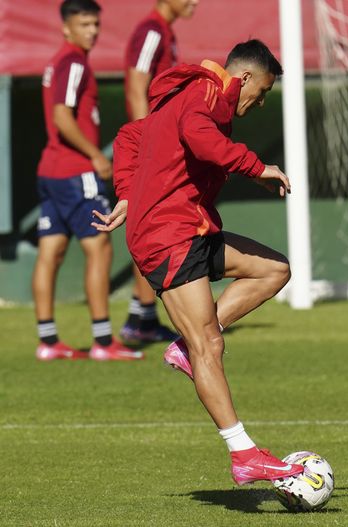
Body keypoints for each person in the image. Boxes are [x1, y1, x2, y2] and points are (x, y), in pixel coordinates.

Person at [92, 40, 304, 484]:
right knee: (209, 344)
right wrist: (255, 166)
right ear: (244, 77)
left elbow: (131, 136)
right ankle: (244, 454)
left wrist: (128, 192)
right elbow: (199, 137)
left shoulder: (194, 95)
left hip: (192, 226)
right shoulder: (207, 92)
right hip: (168, 233)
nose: (260, 102)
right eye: (262, 92)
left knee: (274, 269)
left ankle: (184, 347)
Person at [32, 0, 142, 362]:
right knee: (100, 248)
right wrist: (95, 155)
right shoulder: (74, 62)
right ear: (66, 27)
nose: (92, 31)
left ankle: (48, 340)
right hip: (75, 172)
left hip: (50, 172)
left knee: (51, 252)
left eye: (95, 24)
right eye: (84, 24)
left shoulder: (58, 62)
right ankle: (103, 341)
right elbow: (62, 117)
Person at [119, 0, 199, 345]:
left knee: (156, 224)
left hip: (159, 144)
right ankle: (142, 318)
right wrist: (146, 139)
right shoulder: (151, 30)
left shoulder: (165, 32)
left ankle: (143, 316)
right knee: (154, 227)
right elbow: (136, 85)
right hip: (151, 146)